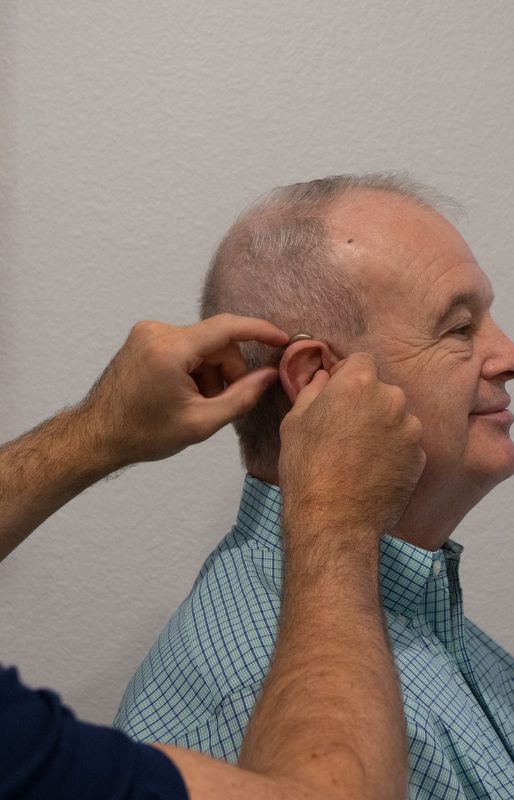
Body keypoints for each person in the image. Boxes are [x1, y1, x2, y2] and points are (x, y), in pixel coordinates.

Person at [115, 173, 514, 799]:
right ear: (319, 381)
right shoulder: (253, 700)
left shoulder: (435, 628)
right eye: (459, 328)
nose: (512, 355)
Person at [0, 312, 426, 799]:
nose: (513, 359)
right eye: (457, 329)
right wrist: (336, 517)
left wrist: (96, 427)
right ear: (312, 374)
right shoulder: (236, 686)